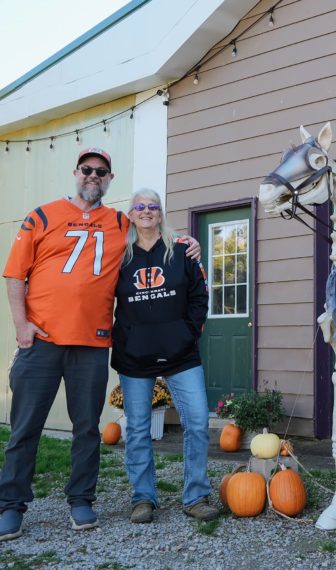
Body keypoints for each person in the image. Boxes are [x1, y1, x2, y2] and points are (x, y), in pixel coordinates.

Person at [0, 148, 200, 541]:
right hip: (41, 339)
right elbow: (15, 274)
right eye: (88, 169)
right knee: (25, 427)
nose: (94, 175)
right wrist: (21, 325)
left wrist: (187, 242)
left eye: (102, 171)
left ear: (110, 179)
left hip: (91, 342)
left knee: (87, 428)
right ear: (76, 173)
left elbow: (152, 227)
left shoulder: (119, 221)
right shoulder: (42, 216)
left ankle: (81, 498)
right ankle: (11, 505)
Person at [110, 188, 218, 524]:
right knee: (138, 429)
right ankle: (143, 498)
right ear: (131, 214)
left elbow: (200, 297)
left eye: (152, 206)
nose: (146, 211)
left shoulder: (183, 250)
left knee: (198, 422)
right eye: (139, 207)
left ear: (160, 213)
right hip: (135, 356)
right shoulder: (119, 255)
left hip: (180, 354)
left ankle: (195, 495)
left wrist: (186, 333)